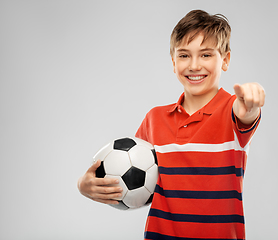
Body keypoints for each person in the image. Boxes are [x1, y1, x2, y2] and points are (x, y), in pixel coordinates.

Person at [78, 9, 265, 239]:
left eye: (206, 55)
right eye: (184, 55)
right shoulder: (155, 119)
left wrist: (252, 104)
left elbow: (246, 115)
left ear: (225, 60)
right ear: (173, 61)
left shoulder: (232, 111)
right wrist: (86, 185)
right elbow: (125, 169)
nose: (194, 65)